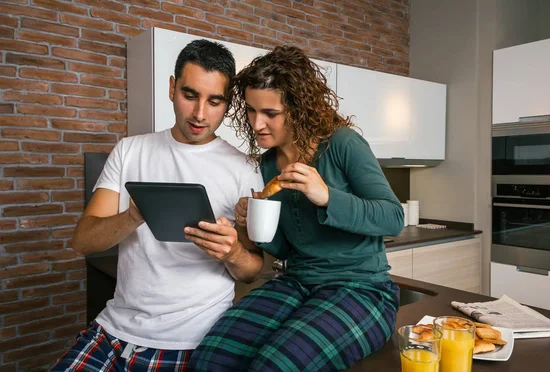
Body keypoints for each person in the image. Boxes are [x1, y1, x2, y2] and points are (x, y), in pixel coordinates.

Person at [51, 39, 264, 371]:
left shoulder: (245, 168)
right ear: (171, 88)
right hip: (113, 329)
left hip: (190, 340)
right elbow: (84, 241)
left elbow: (252, 271)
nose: (199, 114)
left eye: (215, 101)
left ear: (226, 103)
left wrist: (232, 253)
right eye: (189, 95)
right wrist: (135, 215)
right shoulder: (130, 151)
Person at [190, 45, 405, 371]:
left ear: (299, 108)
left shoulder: (342, 144)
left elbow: (393, 218)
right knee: (210, 359)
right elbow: (285, 248)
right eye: (250, 110)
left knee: (274, 365)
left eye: (270, 114)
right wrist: (253, 226)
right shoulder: (265, 166)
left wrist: (327, 196)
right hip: (297, 282)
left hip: (363, 289)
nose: (257, 123)